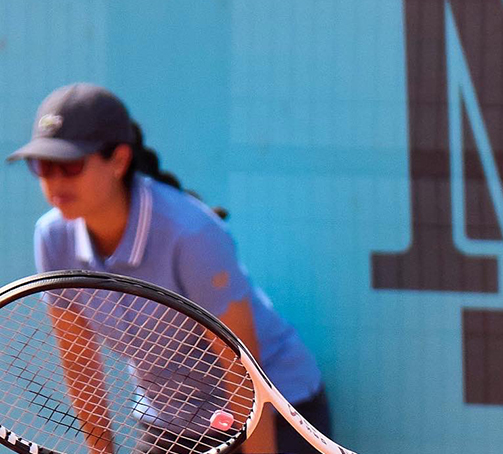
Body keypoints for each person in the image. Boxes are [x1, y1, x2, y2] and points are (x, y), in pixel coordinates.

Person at [7, 82, 332, 454]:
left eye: (70, 165)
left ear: (119, 160)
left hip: (275, 412)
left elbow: (245, 372)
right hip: (172, 424)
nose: (55, 181)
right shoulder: (52, 238)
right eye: (43, 166)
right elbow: (81, 366)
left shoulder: (191, 233)